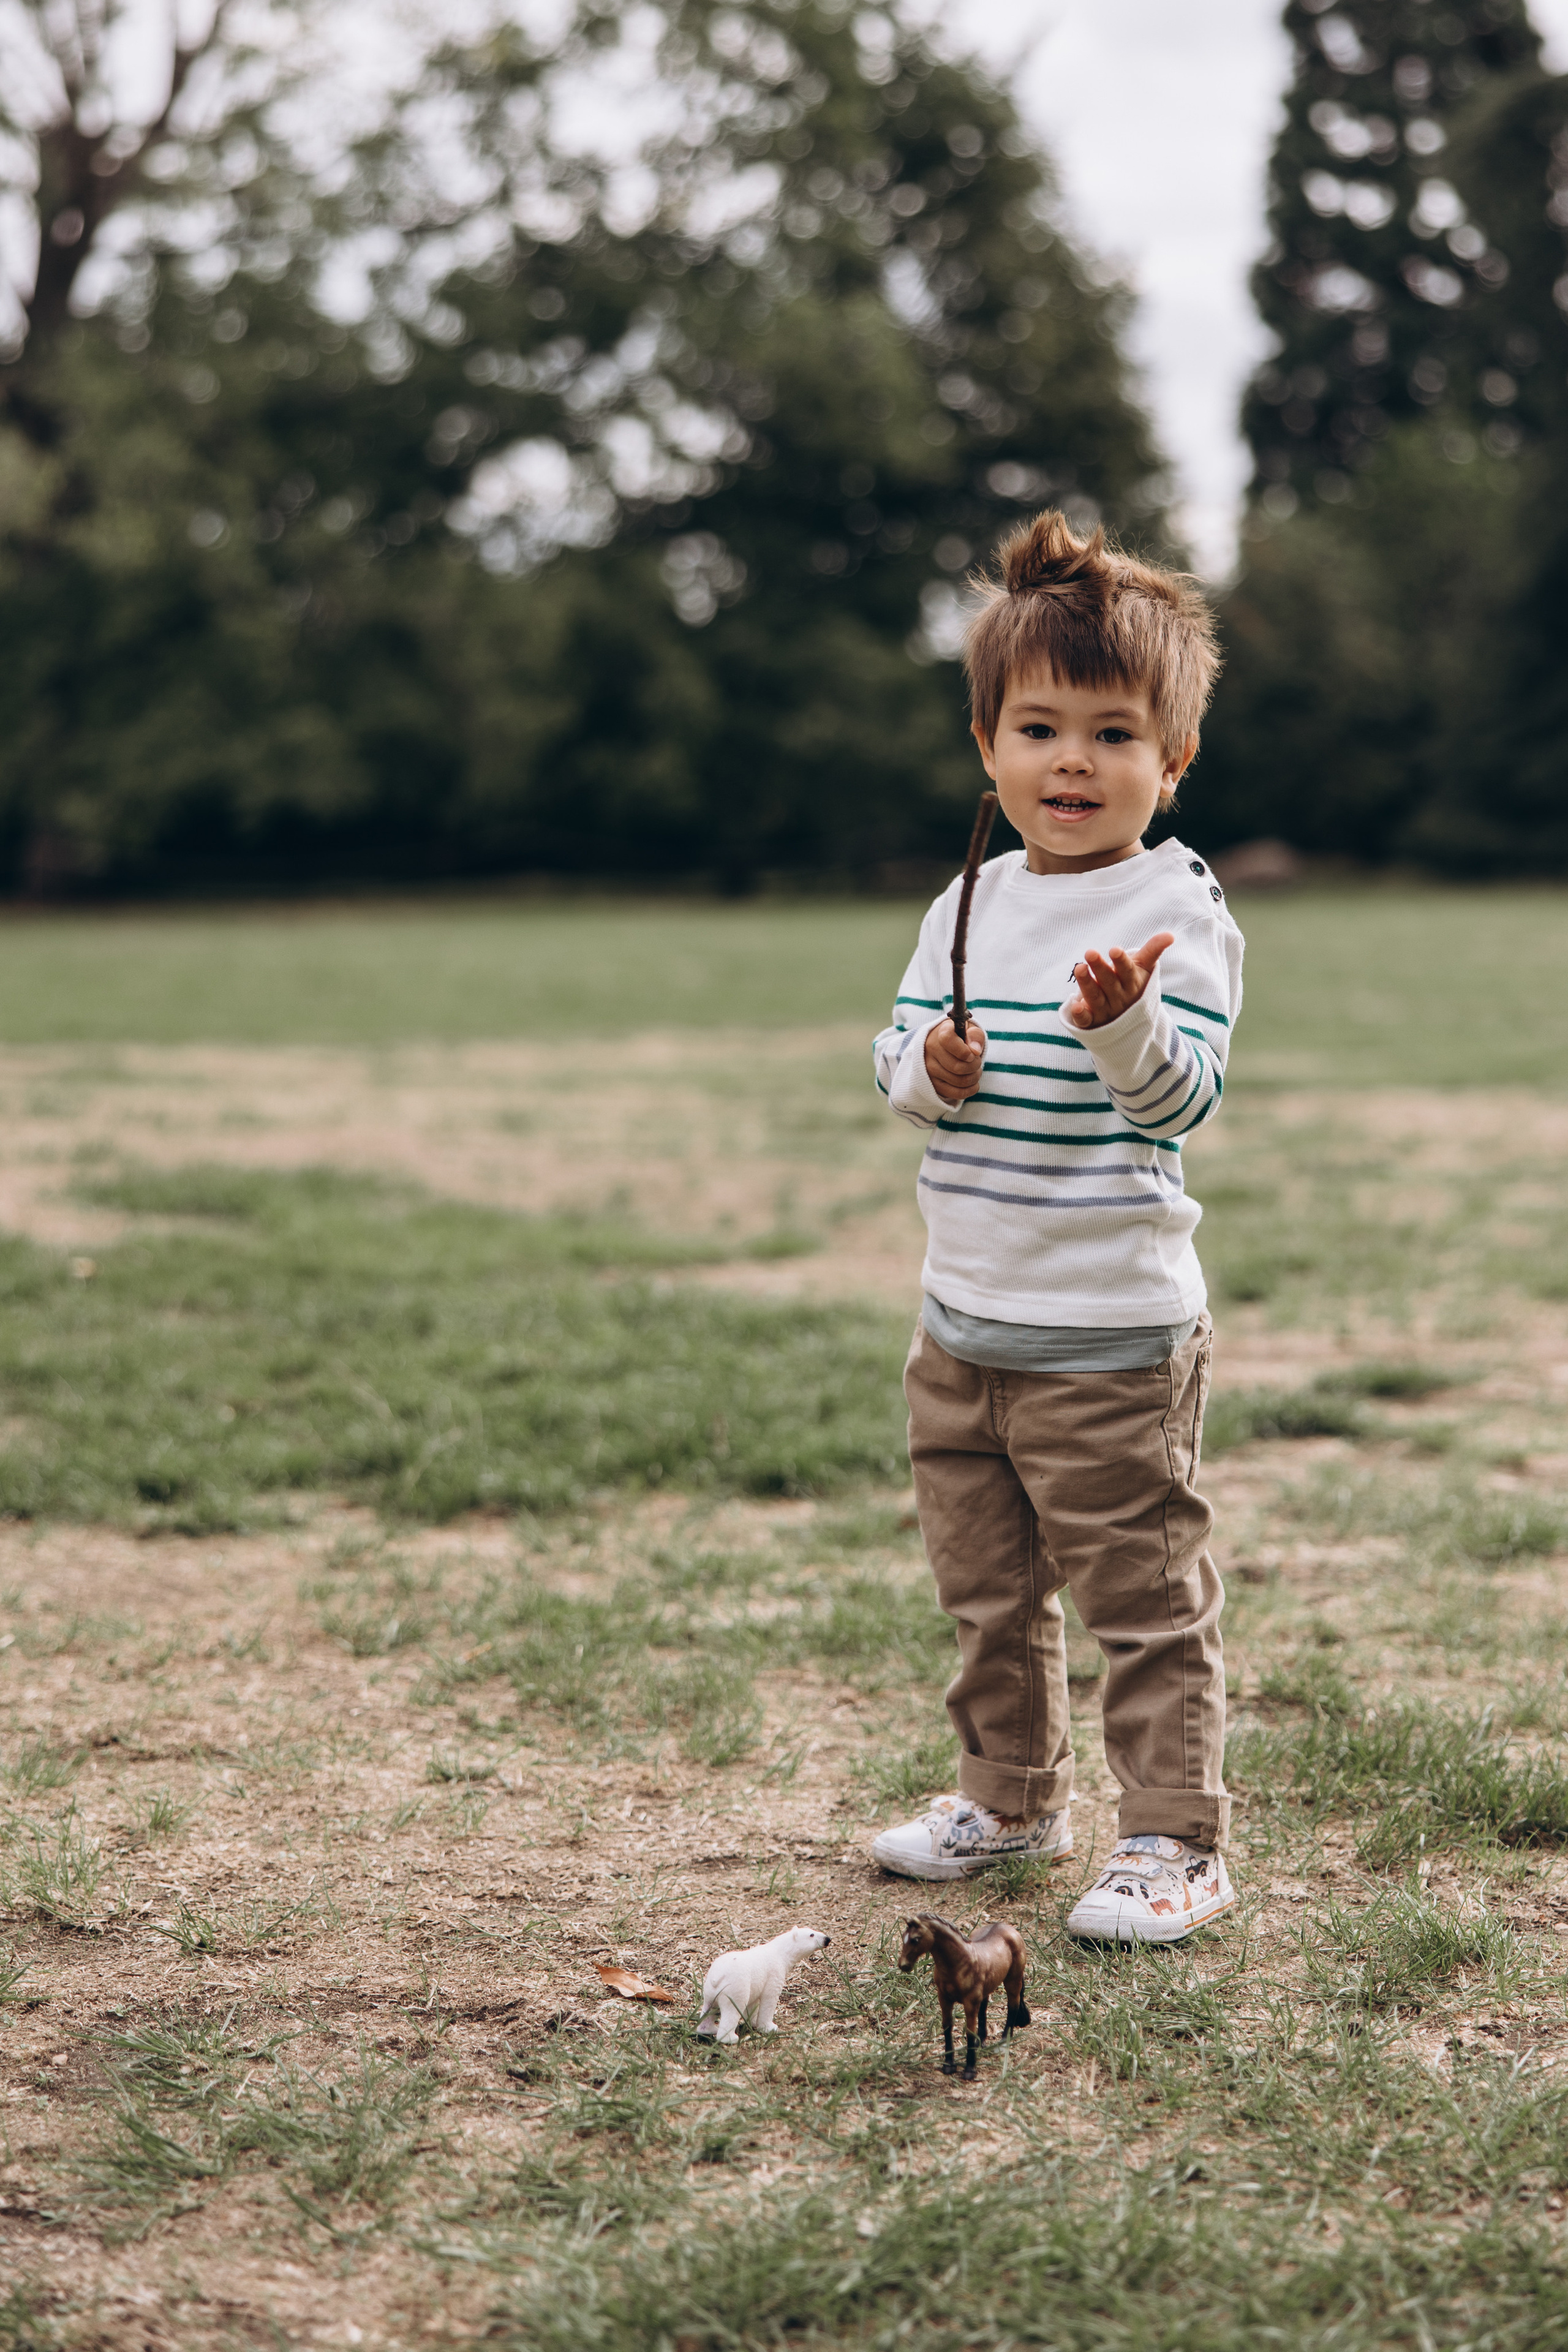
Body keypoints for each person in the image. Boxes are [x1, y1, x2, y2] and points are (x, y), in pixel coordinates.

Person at [869, 509, 1242, 1944]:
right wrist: (930, 1072)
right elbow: (896, 1062)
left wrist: (1118, 1021)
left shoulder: (1173, 904)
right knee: (986, 1589)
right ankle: (1008, 1795)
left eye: (1110, 733)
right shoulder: (964, 900)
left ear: (1171, 761)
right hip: (960, 1326)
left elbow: (1177, 1103)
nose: (1071, 761)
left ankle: (1173, 1837)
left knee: (1140, 1600)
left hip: (1107, 1338)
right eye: (1037, 728)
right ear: (986, 747)